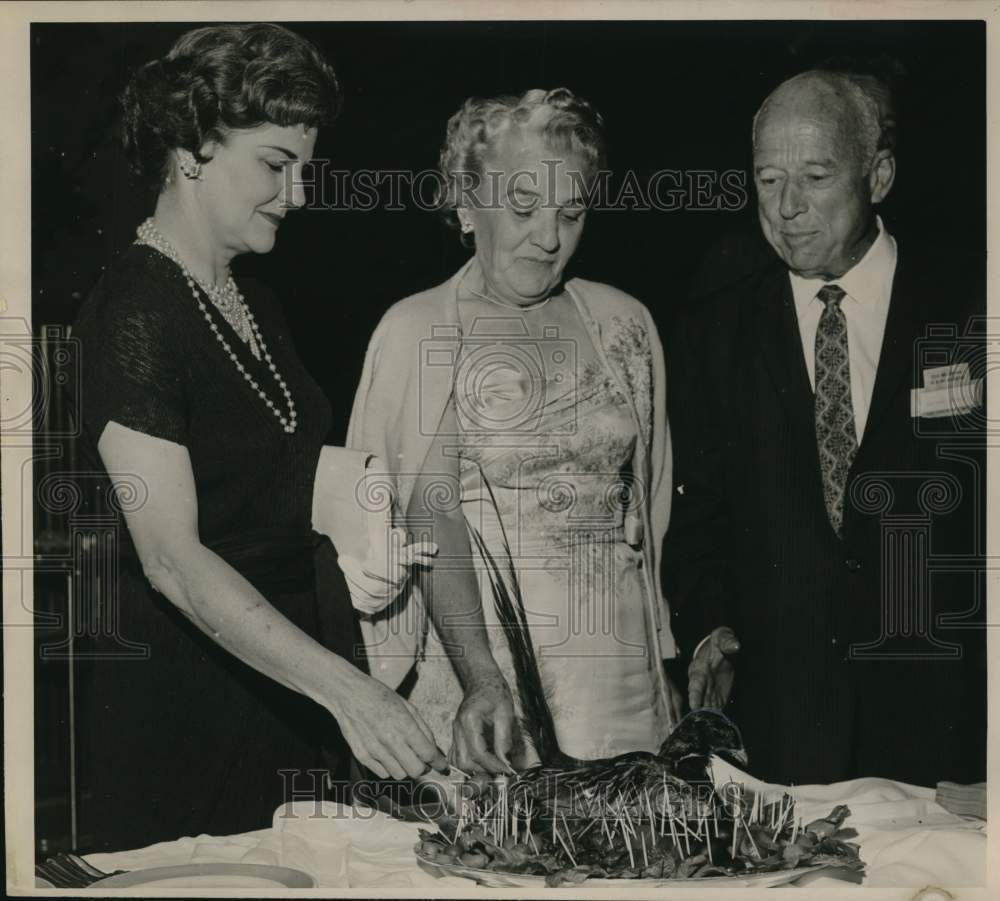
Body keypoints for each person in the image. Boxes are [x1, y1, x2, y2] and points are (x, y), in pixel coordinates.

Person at [71, 23, 444, 853]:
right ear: (194, 146)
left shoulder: (255, 302)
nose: (299, 194)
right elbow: (170, 557)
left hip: (281, 702)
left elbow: (275, 479)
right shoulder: (135, 311)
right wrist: (350, 693)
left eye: (305, 168)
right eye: (276, 164)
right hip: (183, 720)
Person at [348, 88, 683, 778]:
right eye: (524, 207)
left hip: (621, 682)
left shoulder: (625, 326)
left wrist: (663, 660)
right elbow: (427, 512)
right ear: (467, 205)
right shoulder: (421, 330)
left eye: (572, 211)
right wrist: (483, 678)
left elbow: (648, 515)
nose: (550, 236)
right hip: (484, 685)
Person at [665, 68, 986, 786]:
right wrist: (711, 632)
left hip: (948, 725)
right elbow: (697, 522)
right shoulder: (714, 330)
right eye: (767, 179)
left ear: (879, 174)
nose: (786, 208)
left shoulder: (972, 306)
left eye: (814, 176)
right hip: (783, 735)